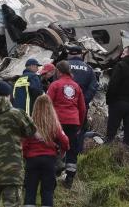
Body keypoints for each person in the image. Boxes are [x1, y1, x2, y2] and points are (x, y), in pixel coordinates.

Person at [22, 94, 69, 207]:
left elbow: (23, 144)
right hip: (49, 161)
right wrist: (62, 152)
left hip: (32, 160)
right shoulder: (54, 125)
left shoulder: (30, 125)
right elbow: (65, 141)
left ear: (36, 107)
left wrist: (25, 156)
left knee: (30, 191)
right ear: (50, 108)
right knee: (47, 191)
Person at [46, 60, 86, 188]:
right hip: (73, 122)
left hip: (57, 122)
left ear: (58, 71)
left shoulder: (55, 85)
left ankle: (53, 175)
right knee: (72, 149)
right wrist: (79, 125)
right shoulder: (76, 86)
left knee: (54, 147)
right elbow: (82, 108)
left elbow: (47, 104)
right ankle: (69, 178)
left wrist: (46, 121)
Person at [66, 45, 97, 153]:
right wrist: (83, 101)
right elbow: (93, 87)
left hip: (64, 106)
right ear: (80, 54)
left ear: (69, 54)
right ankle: (76, 154)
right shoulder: (88, 68)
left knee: (63, 129)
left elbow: (55, 85)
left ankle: (63, 155)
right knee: (80, 130)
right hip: (81, 107)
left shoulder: (62, 68)